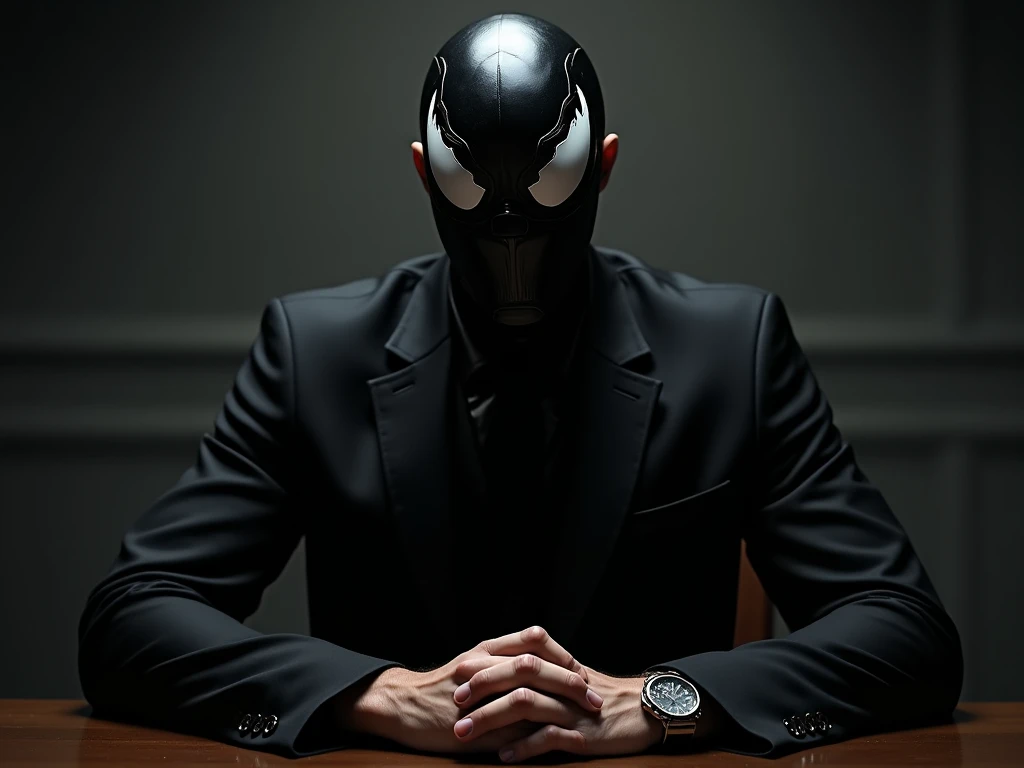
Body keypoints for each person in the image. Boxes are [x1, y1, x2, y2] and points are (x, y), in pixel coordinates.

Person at [78, 12, 962, 763]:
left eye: (545, 193)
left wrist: (662, 700)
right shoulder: (316, 353)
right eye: (476, 193)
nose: (512, 249)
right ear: (425, 171)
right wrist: (374, 694)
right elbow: (132, 618)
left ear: (603, 165)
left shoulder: (733, 350)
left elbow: (904, 632)